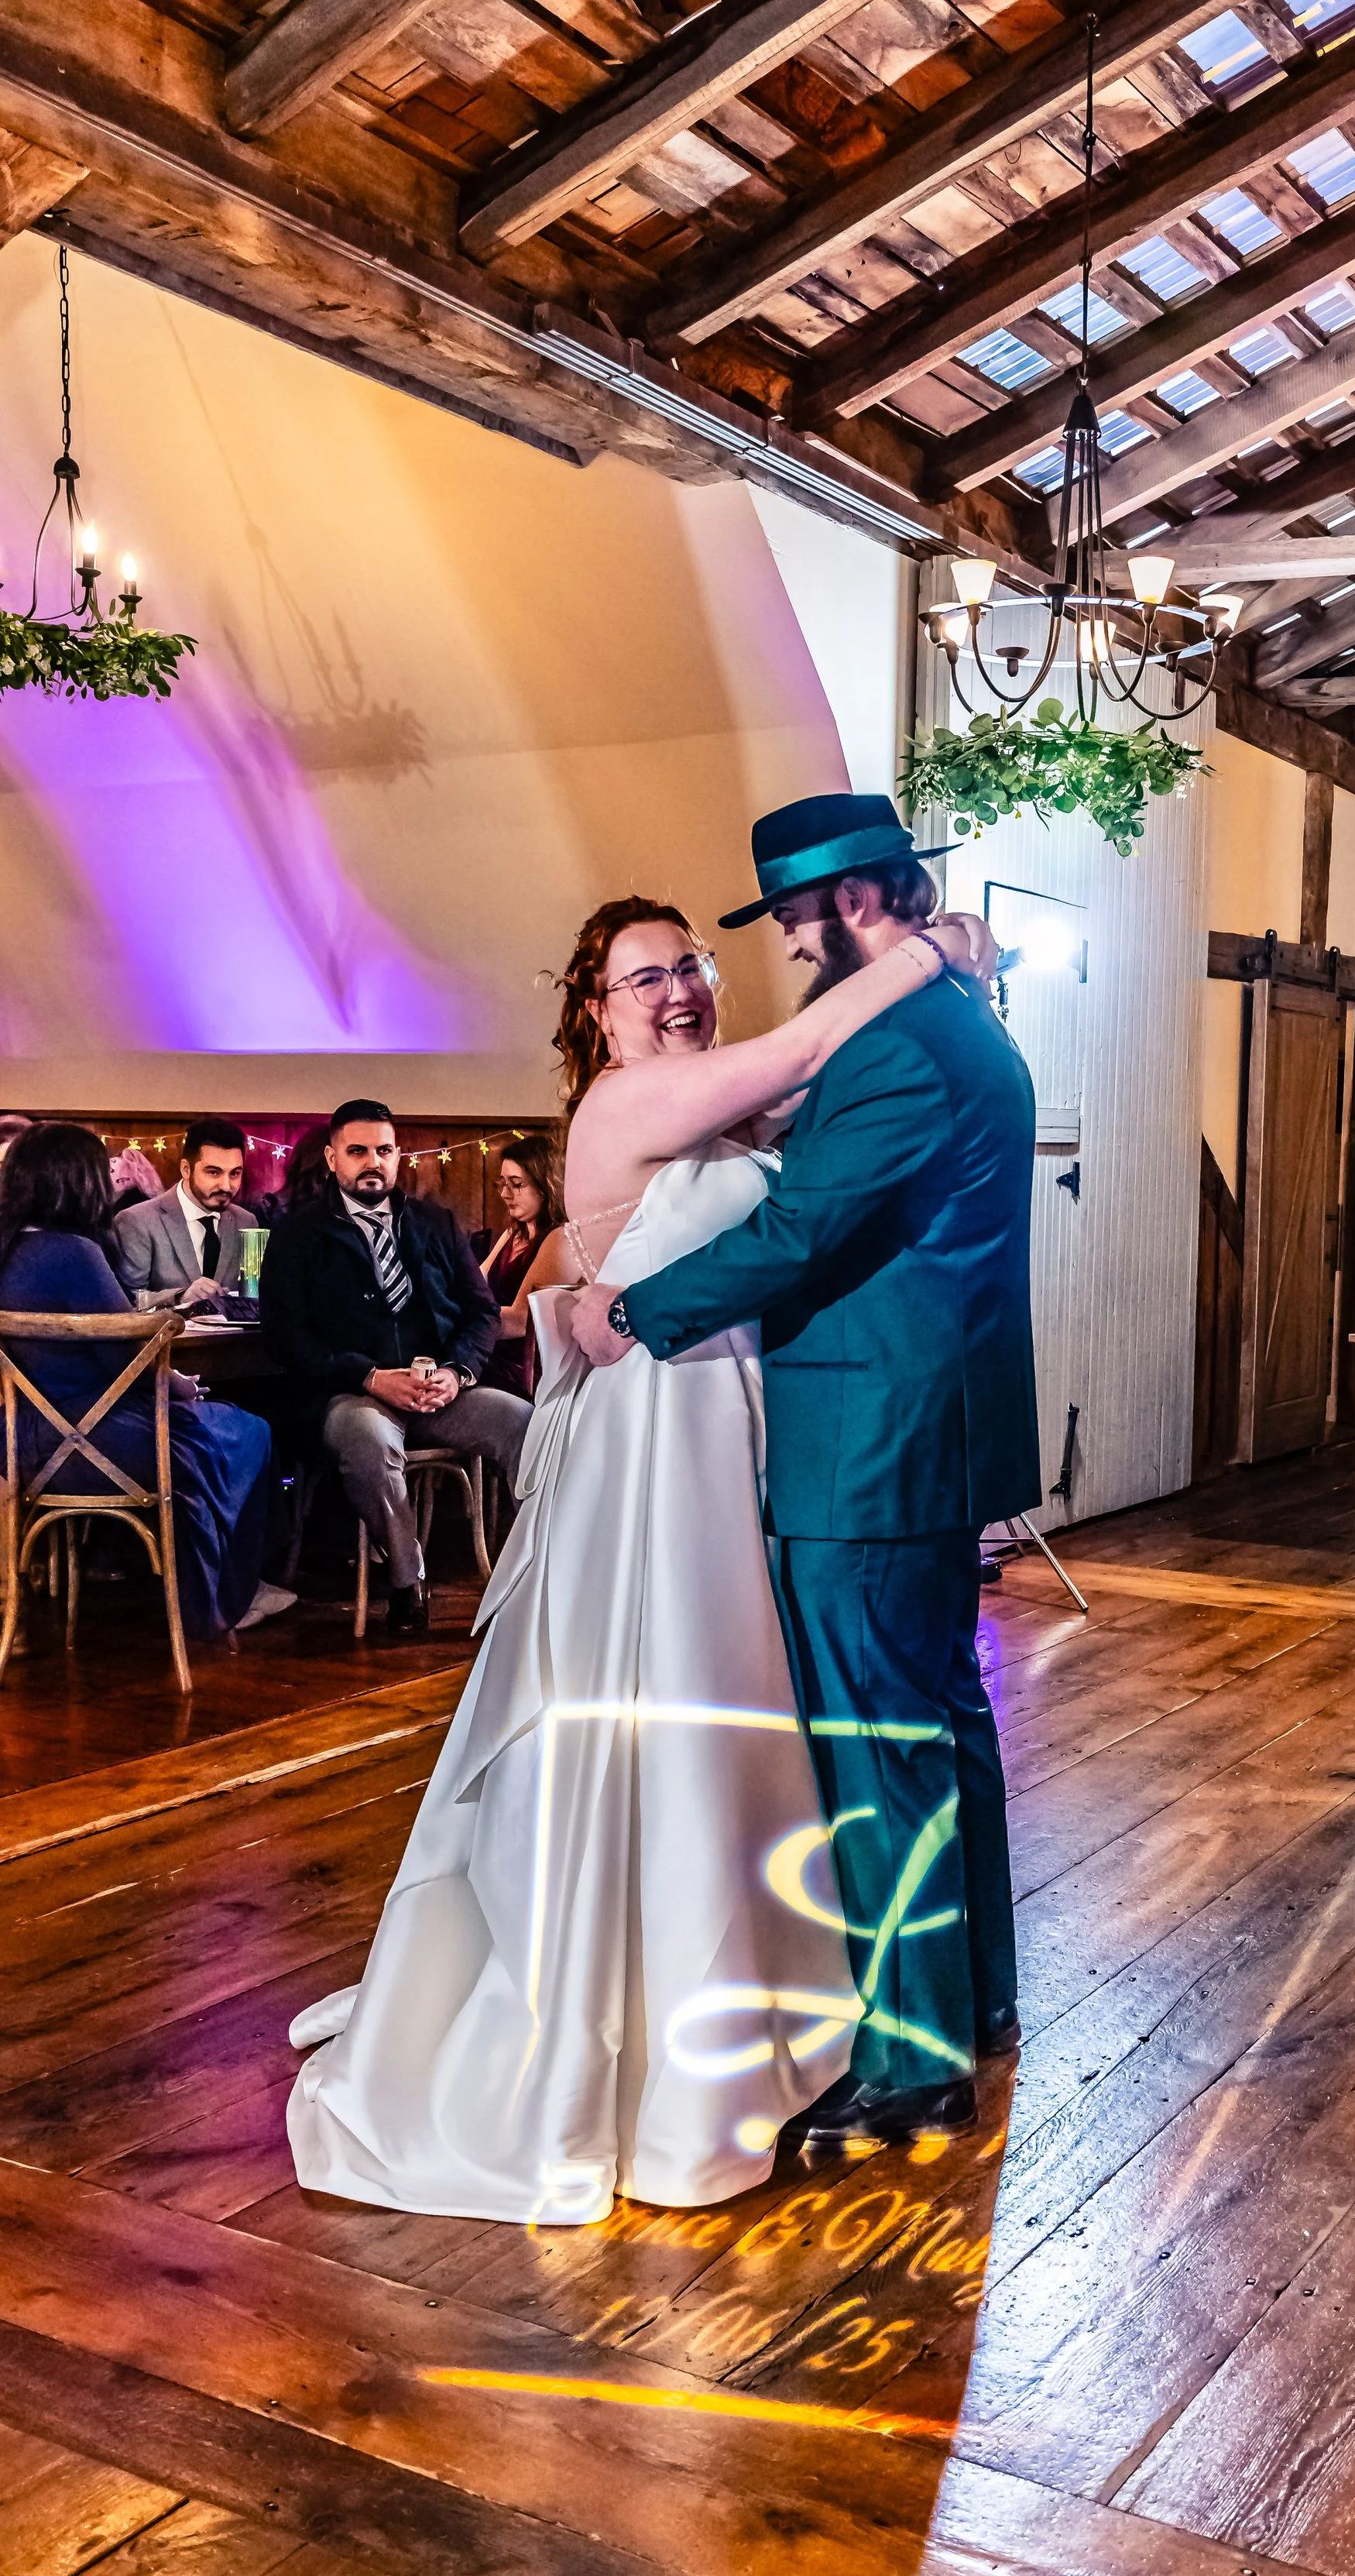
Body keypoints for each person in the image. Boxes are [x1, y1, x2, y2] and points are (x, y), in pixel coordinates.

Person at [285, 888, 989, 2220]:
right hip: (651, 1453)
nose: (679, 992)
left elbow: (808, 1123)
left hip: (730, 1441)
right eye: (645, 978)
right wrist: (928, 953)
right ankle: (634, 2038)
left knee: (738, 1714)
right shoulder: (620, 1109)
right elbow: (799, 1053)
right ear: (596, 1011)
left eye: (694, 968)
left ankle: (765, 1997)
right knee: (661, 1700)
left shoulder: (718, 1108)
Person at [574, 795, 1039, 2156]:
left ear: (843, 903)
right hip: (926, 1433)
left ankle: (911, 2063)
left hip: (869, 1445)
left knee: (880, 1743)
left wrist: (635, 1311)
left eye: (785, 913)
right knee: (943, 1725)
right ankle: (973, 2002)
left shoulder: (897, 1046)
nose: (778, 939)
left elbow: (798, 1231)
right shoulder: (950, 1024)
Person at [0, 1122, 293, 1639]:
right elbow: (129, 1355)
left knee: (214, 1428)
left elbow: (250, 1296)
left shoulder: (8, 1250)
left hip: (18, 1443)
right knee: (248, 1430)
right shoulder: (87, 1246)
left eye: (235, 1172)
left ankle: (225, 1580)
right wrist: (179, 1382)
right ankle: (233, 1592)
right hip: (88, 1442)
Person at [257, 1101, 530, 1635]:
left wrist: (456, 1373)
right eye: (357, 1151)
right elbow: (285, 1337)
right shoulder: (298, 1234)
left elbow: (480, 1314)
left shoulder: (435, 1224)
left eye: (384, 1151)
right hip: (351, 1394)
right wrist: (370, 1377)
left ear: (399, 1156)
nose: (372, 1162)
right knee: (367, 1436)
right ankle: (409, 1580)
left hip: (439, 1391)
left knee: (526, 1422)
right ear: (333, 1158)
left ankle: (535, 1570)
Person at [108, 1117, 257, 1306]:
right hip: (168, 1335)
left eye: (235, 1173)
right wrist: (180, 1297)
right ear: (186, 1169)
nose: (226, 1186)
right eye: (213, 1173)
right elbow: (127, 1301)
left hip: (235, 1336)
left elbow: (256, 1297)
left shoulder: (247, 1222)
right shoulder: (137, 1220)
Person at [471, 1134, 558, 1396]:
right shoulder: (513, 1234)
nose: (505, 1194)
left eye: (516, 1184)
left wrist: (455, 1323)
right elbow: (473, 1282)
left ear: (546, 1185)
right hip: (491, 1352)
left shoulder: (559, 1238)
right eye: (502, 1183)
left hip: (524, 1368)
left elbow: (521, 1320)